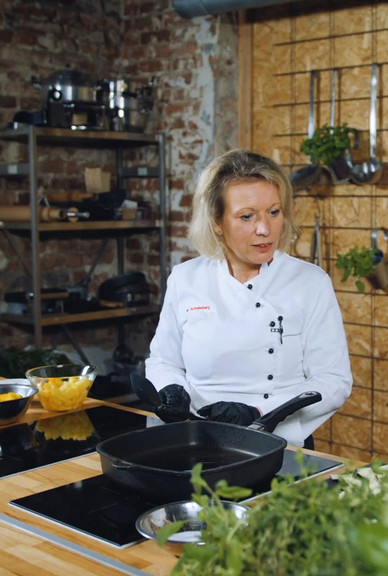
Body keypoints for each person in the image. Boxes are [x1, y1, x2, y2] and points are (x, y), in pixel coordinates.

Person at [145, 149, 353, 448]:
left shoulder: (310, 283)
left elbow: (333, 380)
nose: (265, 229)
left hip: (278, 443)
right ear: (217, 222)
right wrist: (171, 390)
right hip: (195, 440)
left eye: (274, 212)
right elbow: (163, 360)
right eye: (246, 216)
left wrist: (259, 413)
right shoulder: (186, 278)